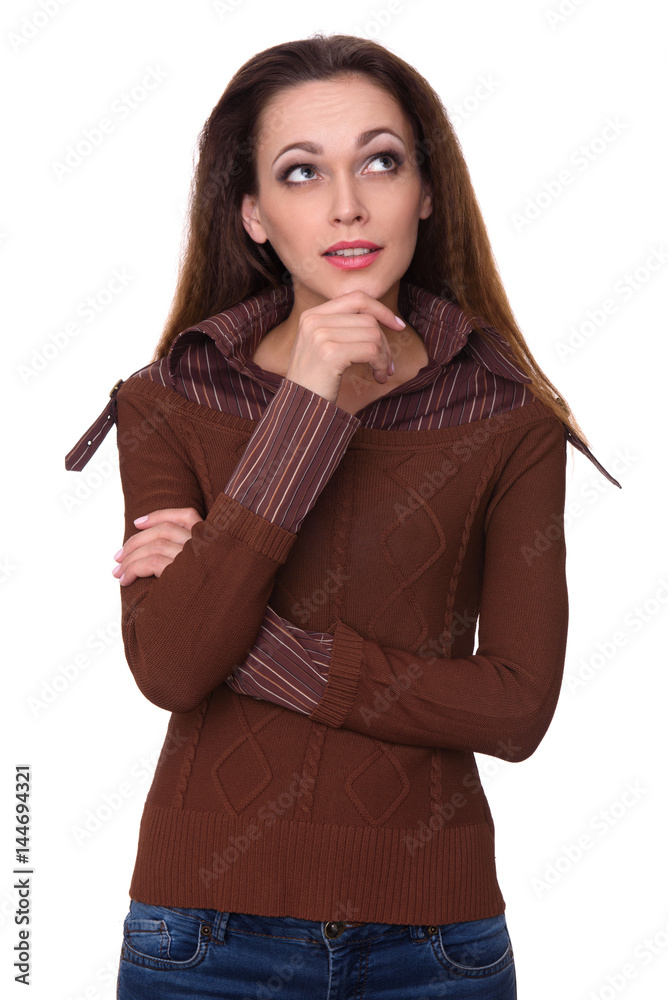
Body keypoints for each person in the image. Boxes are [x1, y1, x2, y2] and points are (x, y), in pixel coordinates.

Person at [65, 32, 621, 1000]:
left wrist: (250, 637)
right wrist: (309, 404)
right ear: (251, 214)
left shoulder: (504, 417)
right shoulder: (166, 400)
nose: (347, 203)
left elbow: (515, 707)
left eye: (379, 160)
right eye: (299, 171)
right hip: (203, 937)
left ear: (425, 190)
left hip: (436, 945)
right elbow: (169, 668)